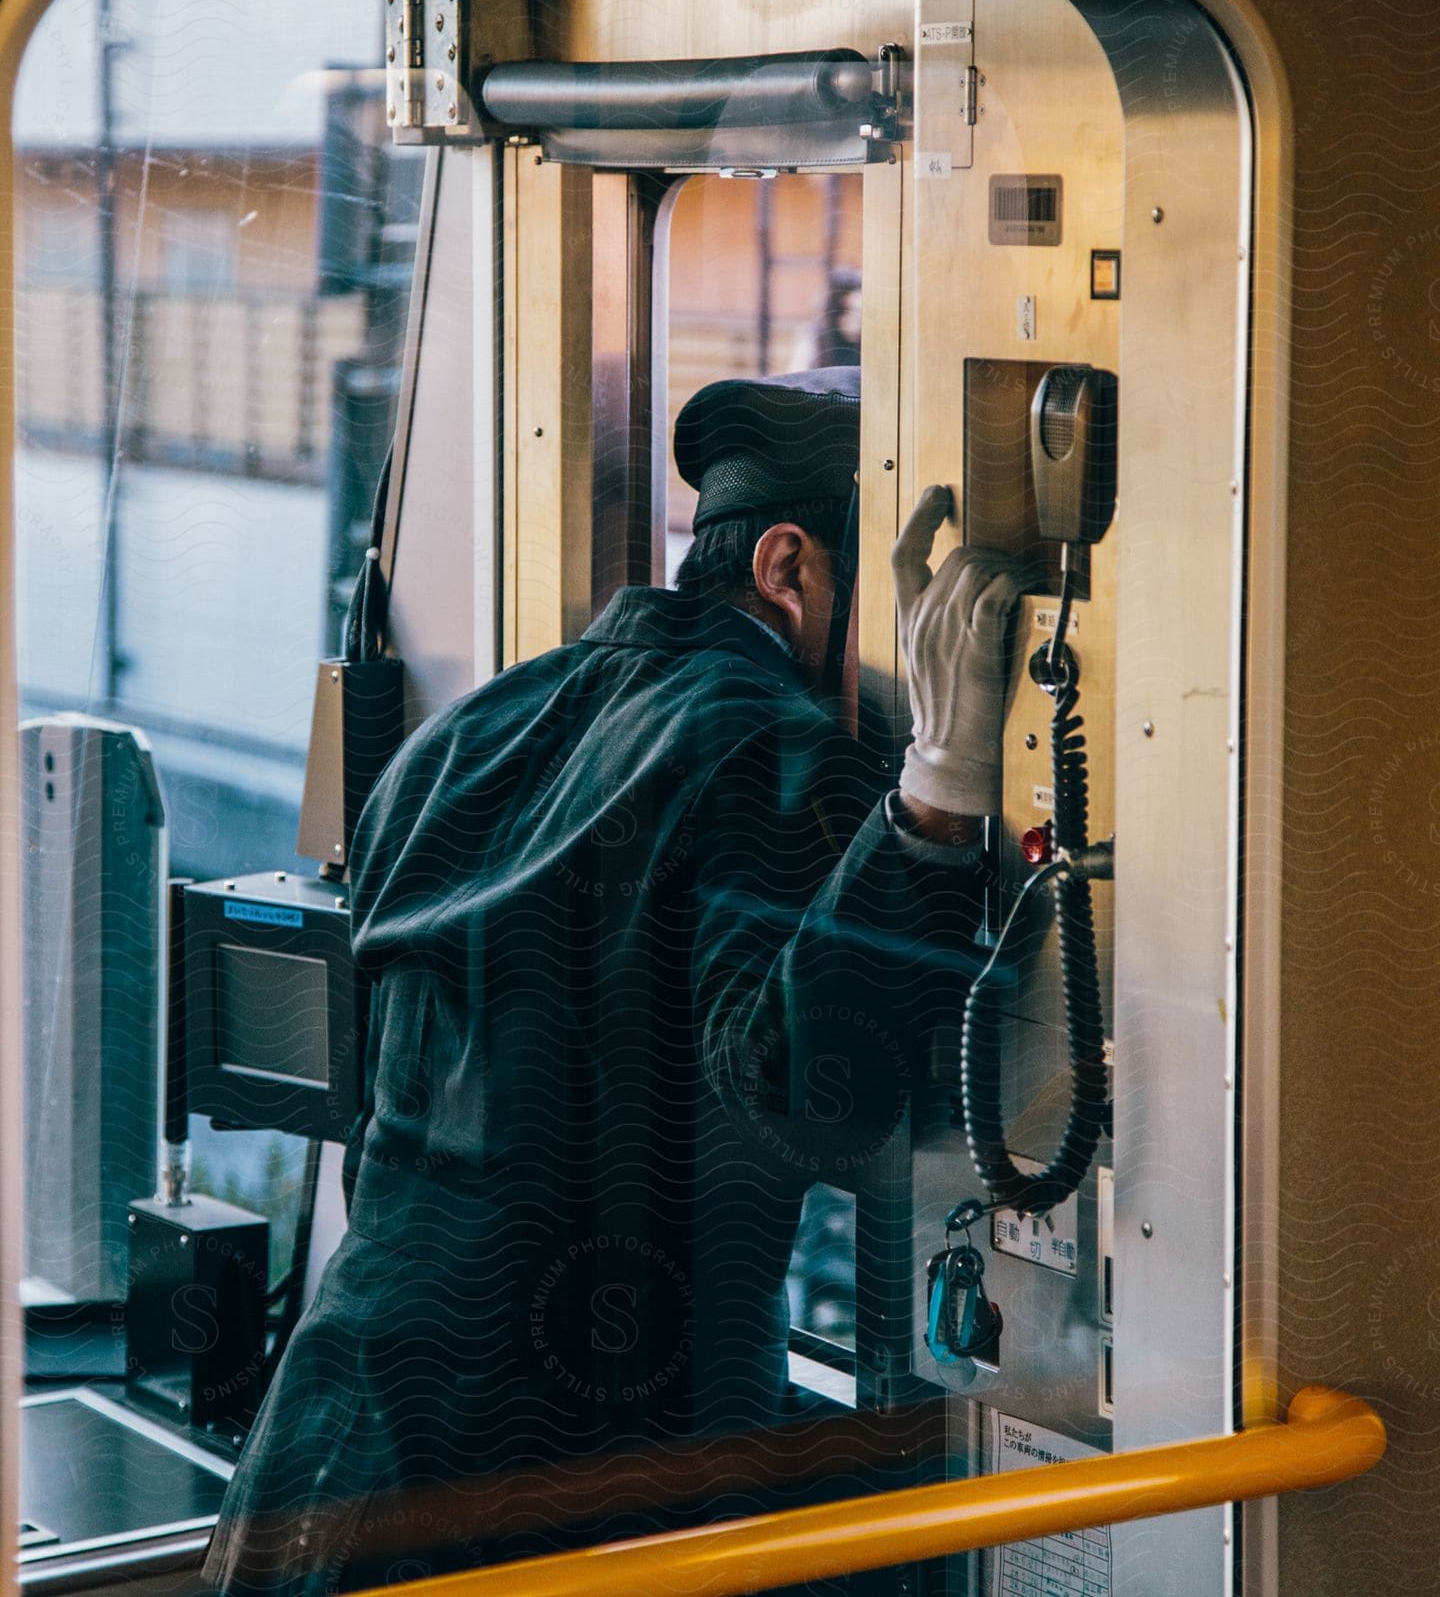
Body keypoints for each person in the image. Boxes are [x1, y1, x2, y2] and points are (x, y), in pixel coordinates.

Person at [204, 365, 1025, 1597]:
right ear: (790, 570)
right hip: (586, 1479)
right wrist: (939, 786)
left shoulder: (462, 735)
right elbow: (811, 1096)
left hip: (330, 1444)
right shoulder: (775, 748)